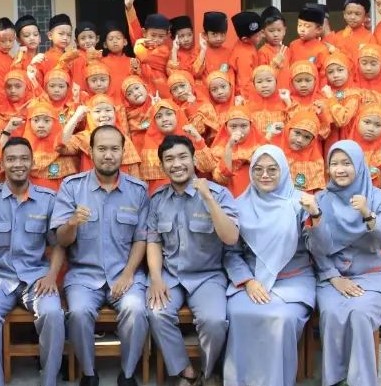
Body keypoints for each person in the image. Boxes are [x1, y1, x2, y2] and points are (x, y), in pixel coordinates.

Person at [51, 125, 150, 386]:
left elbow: (141, 237)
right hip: (84, 275)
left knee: (136, 309)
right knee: (80, 312)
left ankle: (127, 375)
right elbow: (60, 240)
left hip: (125, 273)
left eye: (114, 149)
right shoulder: (72, 187)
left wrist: (128, 274)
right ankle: (89, 373)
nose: (108, 155)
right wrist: (72, 223)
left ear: (123, 152)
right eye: (102, 149)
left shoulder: (137, 190)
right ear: (91, 152)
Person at [0, 137, 66, 386]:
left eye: (23, 158)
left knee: (53, 313)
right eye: (11, 159)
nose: (17, 164)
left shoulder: (48, 199)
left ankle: (49, 380)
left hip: (36, 276)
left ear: (32, 162)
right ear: (3, 163)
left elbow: (59, 244)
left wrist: (52, 276)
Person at [306, 140, 381, 386]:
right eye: (334, 164)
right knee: (333, 312)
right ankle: (335, 379)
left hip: (371, 275)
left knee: (359, 314)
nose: (340, 169)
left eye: (346, 163)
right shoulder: (321, 199)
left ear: (359, 166)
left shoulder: (376, 197)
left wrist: (369, 216)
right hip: (333, 276)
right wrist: (333, 276)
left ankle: (361, 381)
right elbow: (317, 249)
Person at [146, 135, 238, 386]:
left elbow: (231, 238)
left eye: (182, 157)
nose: (177, 164)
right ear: (162, 166)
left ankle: (209, 373)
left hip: (207, 275)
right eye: (169, 159)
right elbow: (153, 241)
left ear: (194, 159)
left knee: (215, 321)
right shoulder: (157, 200)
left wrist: (207, 198)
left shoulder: (218, 194)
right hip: (171, 275)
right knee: (156, 312)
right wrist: (155, 278)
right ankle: (186, 371)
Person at [223, 145, 318, 386]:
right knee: (238, 313)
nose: (264, 175)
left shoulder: (300, 203)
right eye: (258, 169)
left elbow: (318, 248)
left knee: (282, 319)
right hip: (251, 281)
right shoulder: (239, 205)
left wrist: (316, 216)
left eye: (272, 169)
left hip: (293, 279)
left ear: (284, 171)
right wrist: (249, 281)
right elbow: (231, 253)